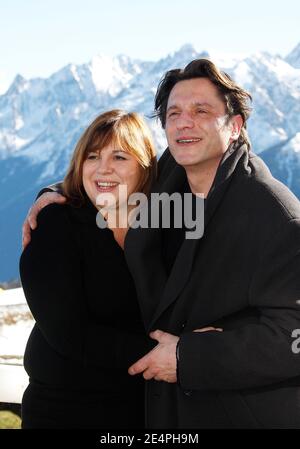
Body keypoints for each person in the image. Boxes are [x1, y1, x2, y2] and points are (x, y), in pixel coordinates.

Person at [23, 59, 300, 429]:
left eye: (202, 111)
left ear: (235, 126)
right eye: (174, 113)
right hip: (154, 410)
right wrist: (56, 192)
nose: (185, 122)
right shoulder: (172, 177)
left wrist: (190, 356)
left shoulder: (275, 216)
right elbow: (115, 173)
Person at [19, 109, 157, 428]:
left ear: (146, 167)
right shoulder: (55, 223)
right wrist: (178, 355)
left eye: (120, 157)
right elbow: (69, 333)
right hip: (64, 410)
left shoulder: (162, 222)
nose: (103, 168)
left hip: (141, 409)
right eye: (92, 156)